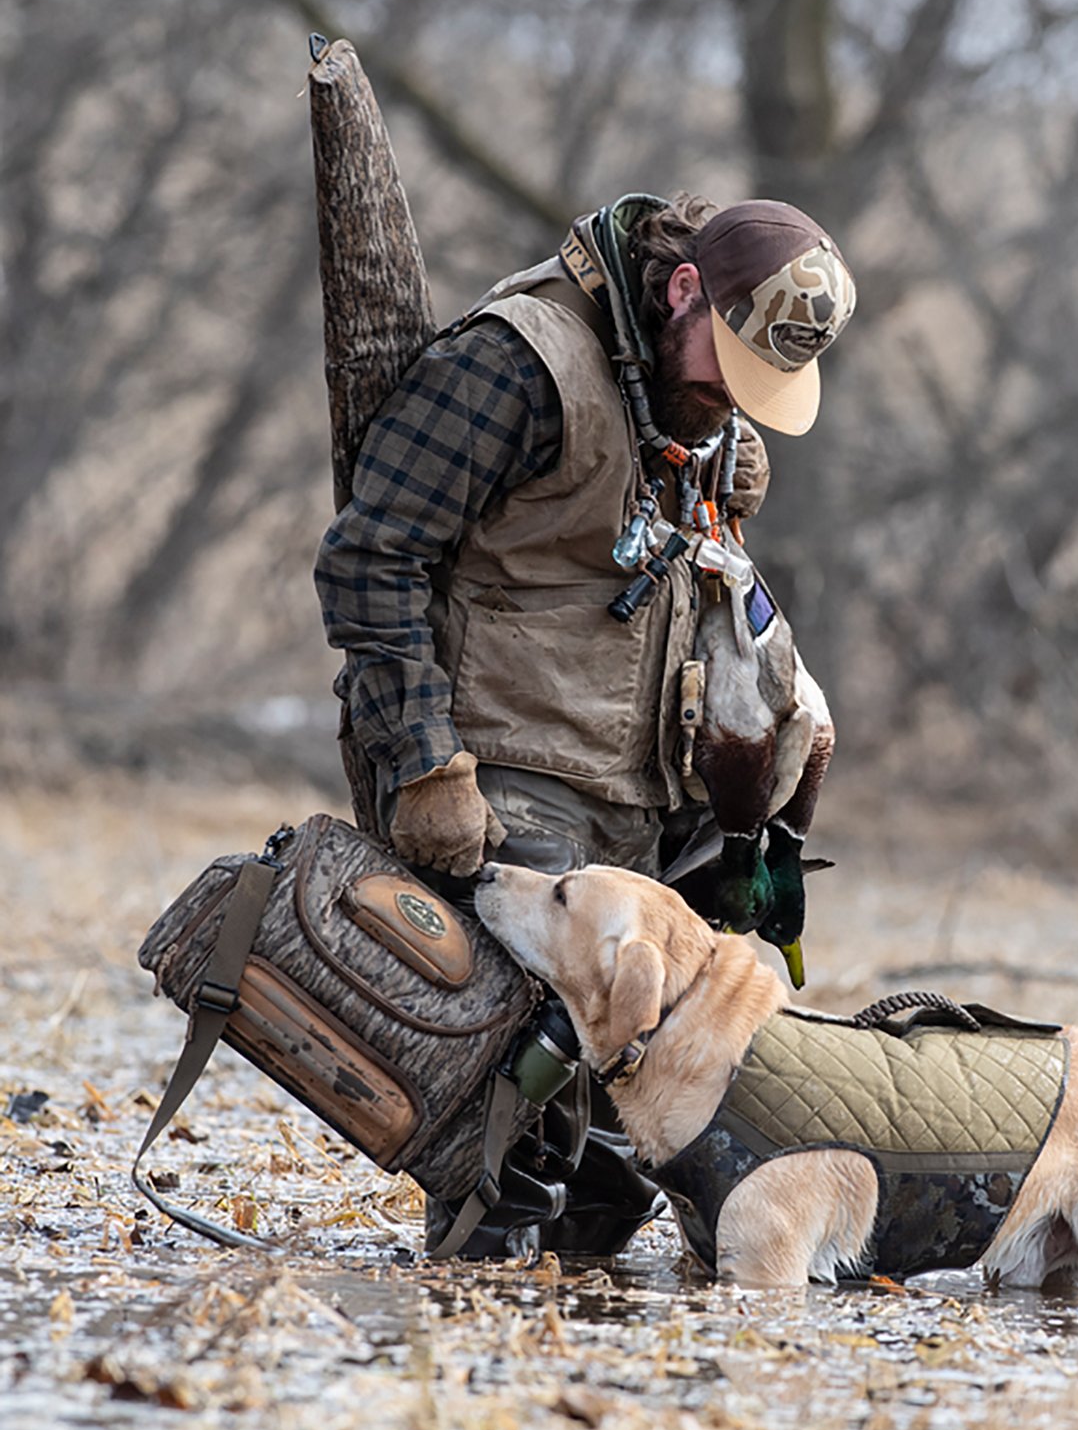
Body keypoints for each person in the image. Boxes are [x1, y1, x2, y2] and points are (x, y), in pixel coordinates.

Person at [314, 192, 857, 1259]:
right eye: (724, 371)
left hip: (649, 786)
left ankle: (582, 1383)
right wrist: (424, 764)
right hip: (501, 771)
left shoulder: (684, 384)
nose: (728, 399)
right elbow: (370, 560)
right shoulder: (514, 365)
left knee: (639, 1141)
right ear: (686, 289)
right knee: (517, 1130)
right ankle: (467, 1353)